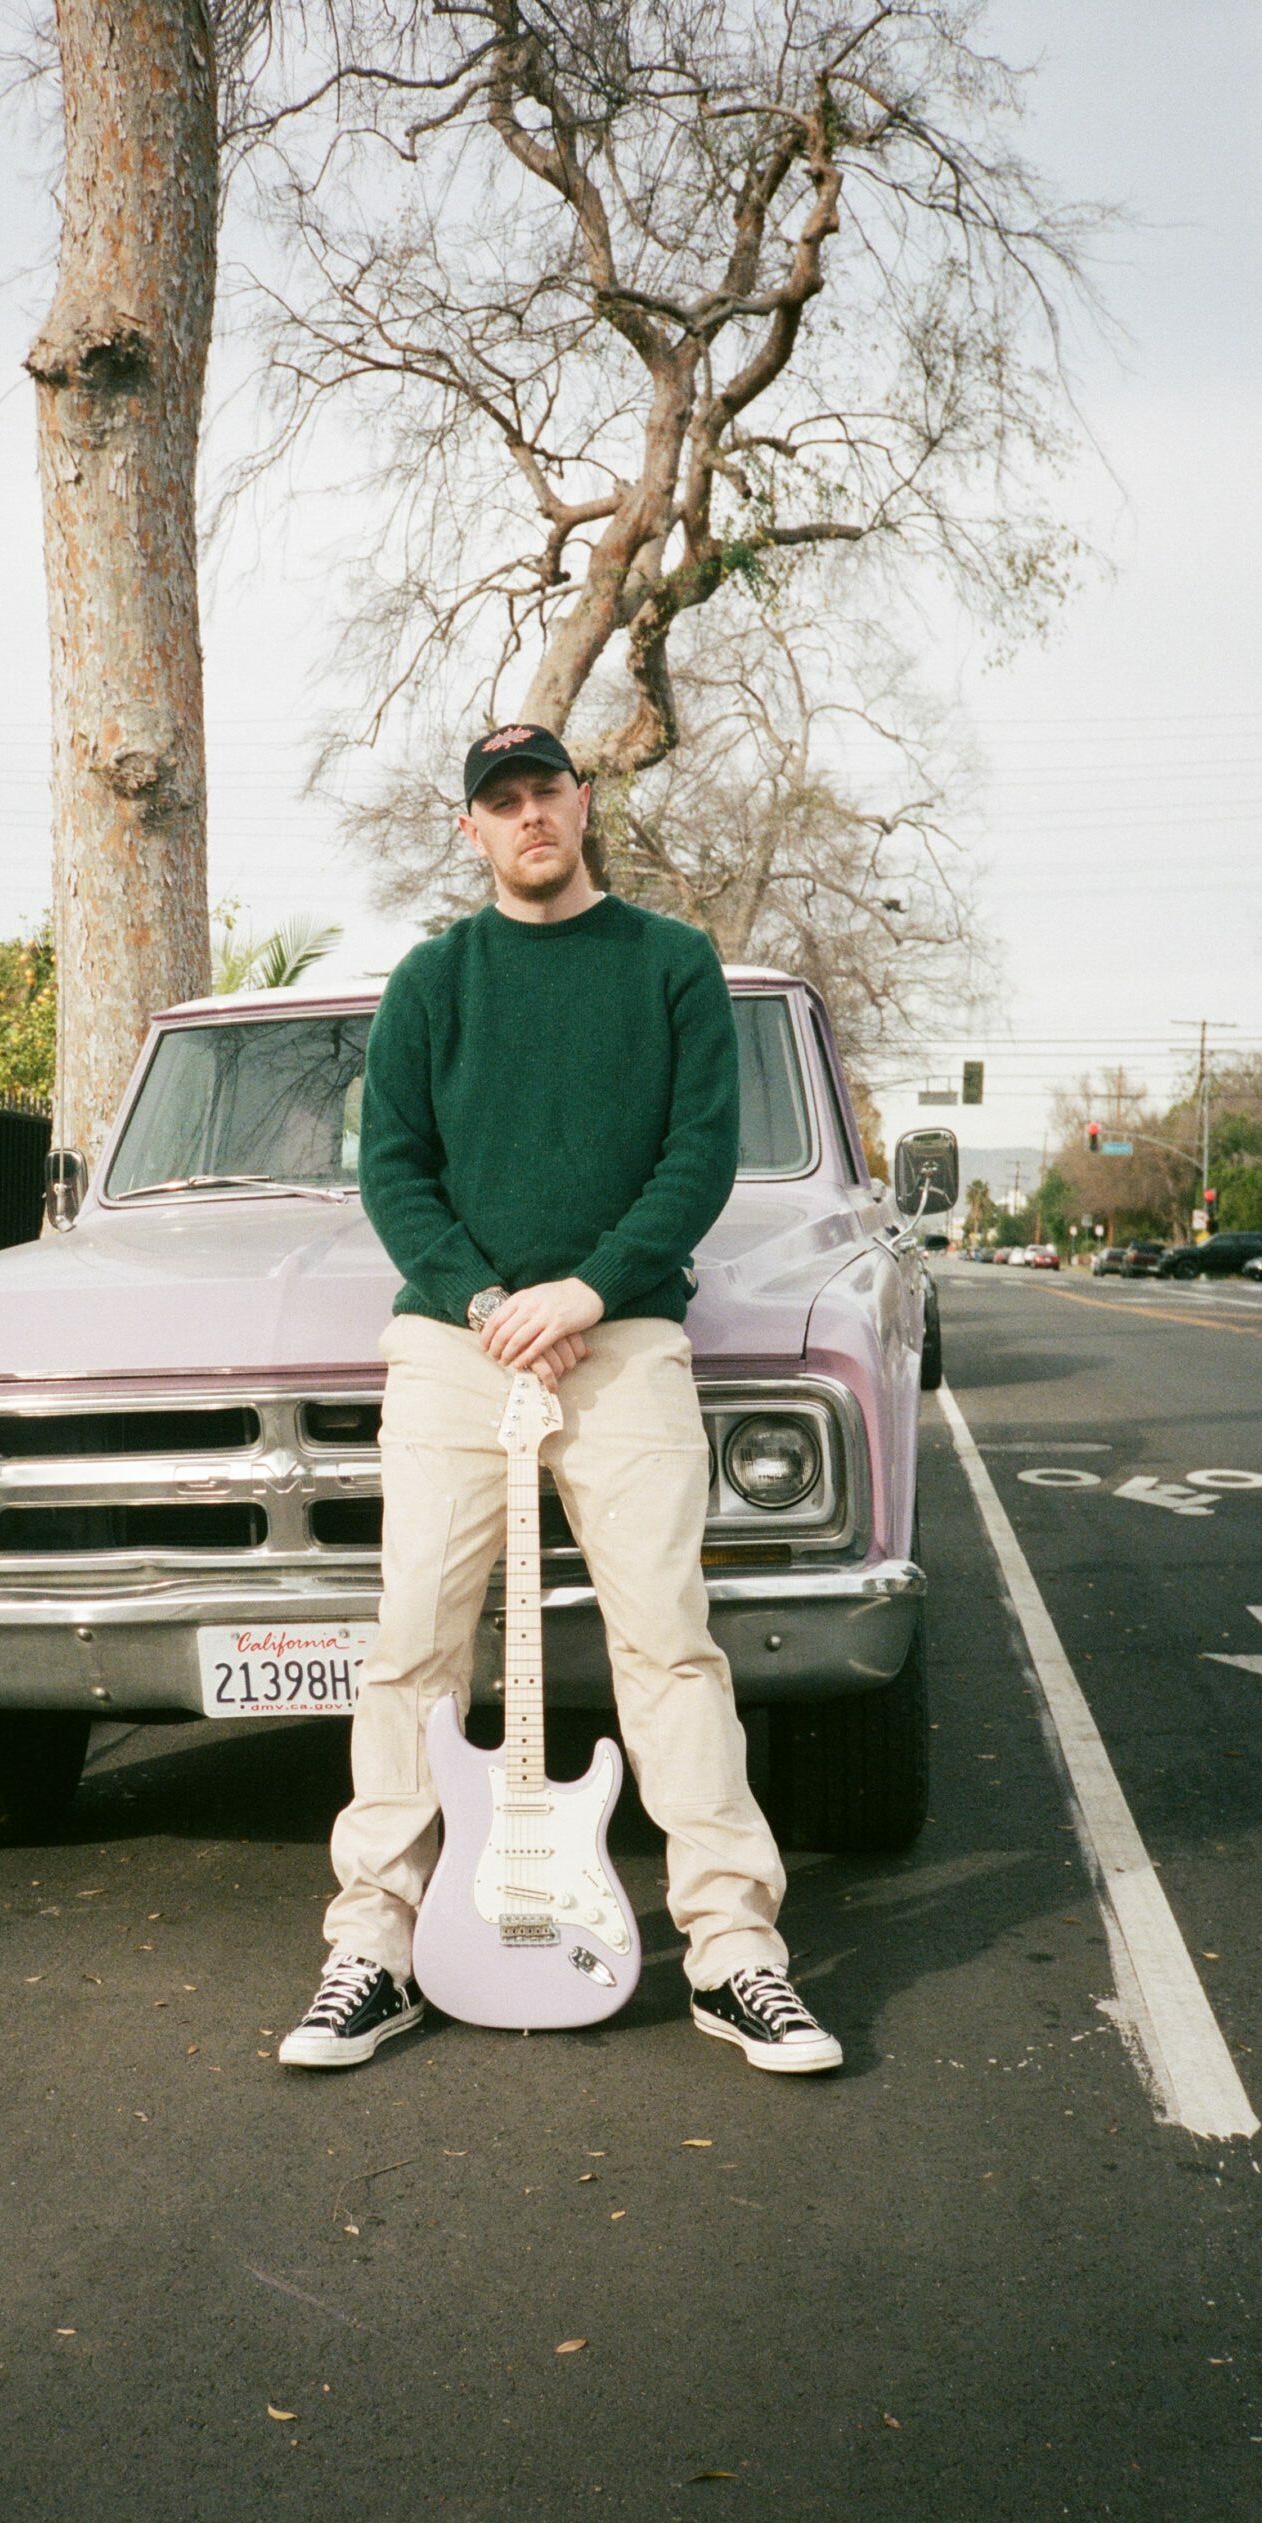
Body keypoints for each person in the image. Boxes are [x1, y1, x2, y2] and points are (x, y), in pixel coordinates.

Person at [278, 723, 840, 2078]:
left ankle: (733, 1955)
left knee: (667, 1642)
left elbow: (697, 1154)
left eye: (546, 792)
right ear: (467, 830)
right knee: (413, 1638)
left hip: (624, 1339)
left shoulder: (669, 963)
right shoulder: (431, 979)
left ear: (583, 804)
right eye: (501, 802)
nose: (529, 817)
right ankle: (375, 1946)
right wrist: (484, 1303)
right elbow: (395, 1170)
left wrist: (585, 1294)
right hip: (453, 1349)